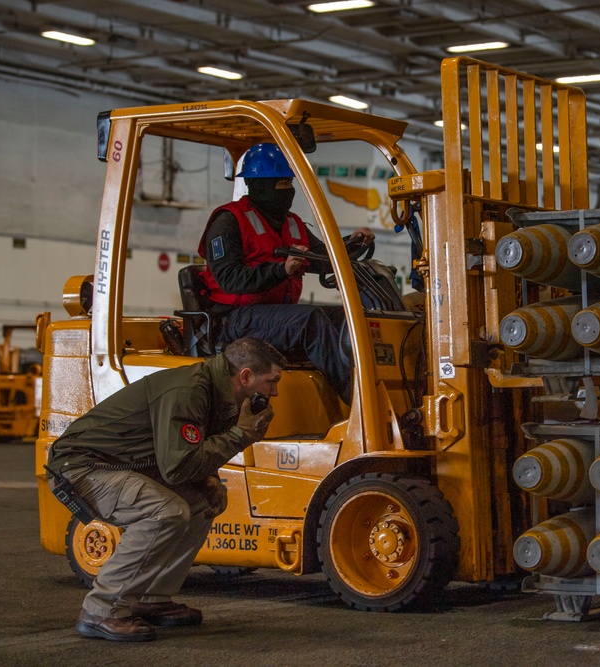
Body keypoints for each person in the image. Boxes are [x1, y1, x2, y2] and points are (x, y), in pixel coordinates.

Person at [46, 337, 284, 642]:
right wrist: (239, 435)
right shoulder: (190, 390)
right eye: (271, 381)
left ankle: (150, 597)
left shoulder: (218, 393)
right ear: (246, 376)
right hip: (81, 467)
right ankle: (101, 610)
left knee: (205, 501)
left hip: (126, 464)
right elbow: (178, 465)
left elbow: (185, 452)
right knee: (165, 512)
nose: (274, 391)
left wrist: (209, 477)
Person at [198, 142, 374, 404]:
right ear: (257, 185)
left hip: (273, 315)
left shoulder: (292, 223)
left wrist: (352, 243)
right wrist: (281, 270)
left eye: (289, 184)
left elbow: (323, 260)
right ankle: (361, 402)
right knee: (310, 320)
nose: (287, 191)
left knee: (347, 316)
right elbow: (230, 279)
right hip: (233, 319)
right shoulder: (229, 221)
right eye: (280, 185)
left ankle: (370, 385)